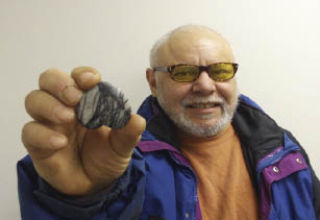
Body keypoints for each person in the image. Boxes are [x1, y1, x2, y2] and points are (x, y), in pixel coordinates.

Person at [18, 25, 320, 220]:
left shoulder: (282, 148)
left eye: (221, 70)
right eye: (184, 72)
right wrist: (77, 202)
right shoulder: (120, 166)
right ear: (152, 82)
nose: (205, 85)